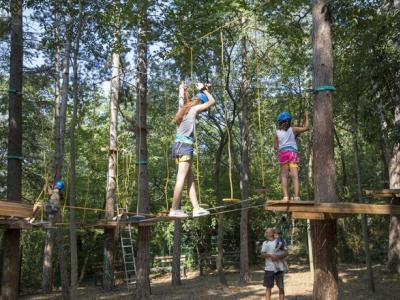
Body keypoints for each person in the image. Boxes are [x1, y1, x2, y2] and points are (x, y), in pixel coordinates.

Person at [169, 83, 215, 218]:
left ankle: (196, 208)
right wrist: (204, 89)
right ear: (200, 103)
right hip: (184, 146)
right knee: (181, 178)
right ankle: (174, 209)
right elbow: (212, 101)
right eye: (203, 108)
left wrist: (186, 93)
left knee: (190, 179)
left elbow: (190, 103)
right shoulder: (194, 109)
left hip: (178, 146)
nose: (202, 111)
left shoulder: (187, 109)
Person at [273, 112, 309, 201]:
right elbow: (306, 128)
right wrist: (307, 116)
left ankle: (285, 197)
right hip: (292, 154)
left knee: (284, 176)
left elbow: (275, 146)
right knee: (295, 175)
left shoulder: (276, 132)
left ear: (279, 122)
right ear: (289, 121)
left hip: (283, 155)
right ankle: (296, 197)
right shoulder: (293, 129)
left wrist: (281, 147)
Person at [261, 228, 288, 300]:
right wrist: (270, 255)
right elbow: (262, 254)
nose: (265, 233)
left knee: (281, 287)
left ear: (272, 233)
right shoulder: (265, 243)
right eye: (265, 232)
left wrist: (278, 257)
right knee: (268, 288)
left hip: (279, 268)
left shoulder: (280, 241)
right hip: (268, 269)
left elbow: (286, 253)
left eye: (267, 232)